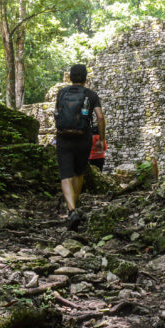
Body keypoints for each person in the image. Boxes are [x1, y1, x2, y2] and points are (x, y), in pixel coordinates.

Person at [53, 64, 105, 229]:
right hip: (83, 138)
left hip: (63, 137)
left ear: (69, 77)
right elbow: (100, 117)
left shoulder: (61, 93)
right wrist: (101, 139)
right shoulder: (91, 94)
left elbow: (57, 113)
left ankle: (71, 210)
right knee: (79, 172)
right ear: (85, 78)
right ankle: (74, 208)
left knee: (65, 175)